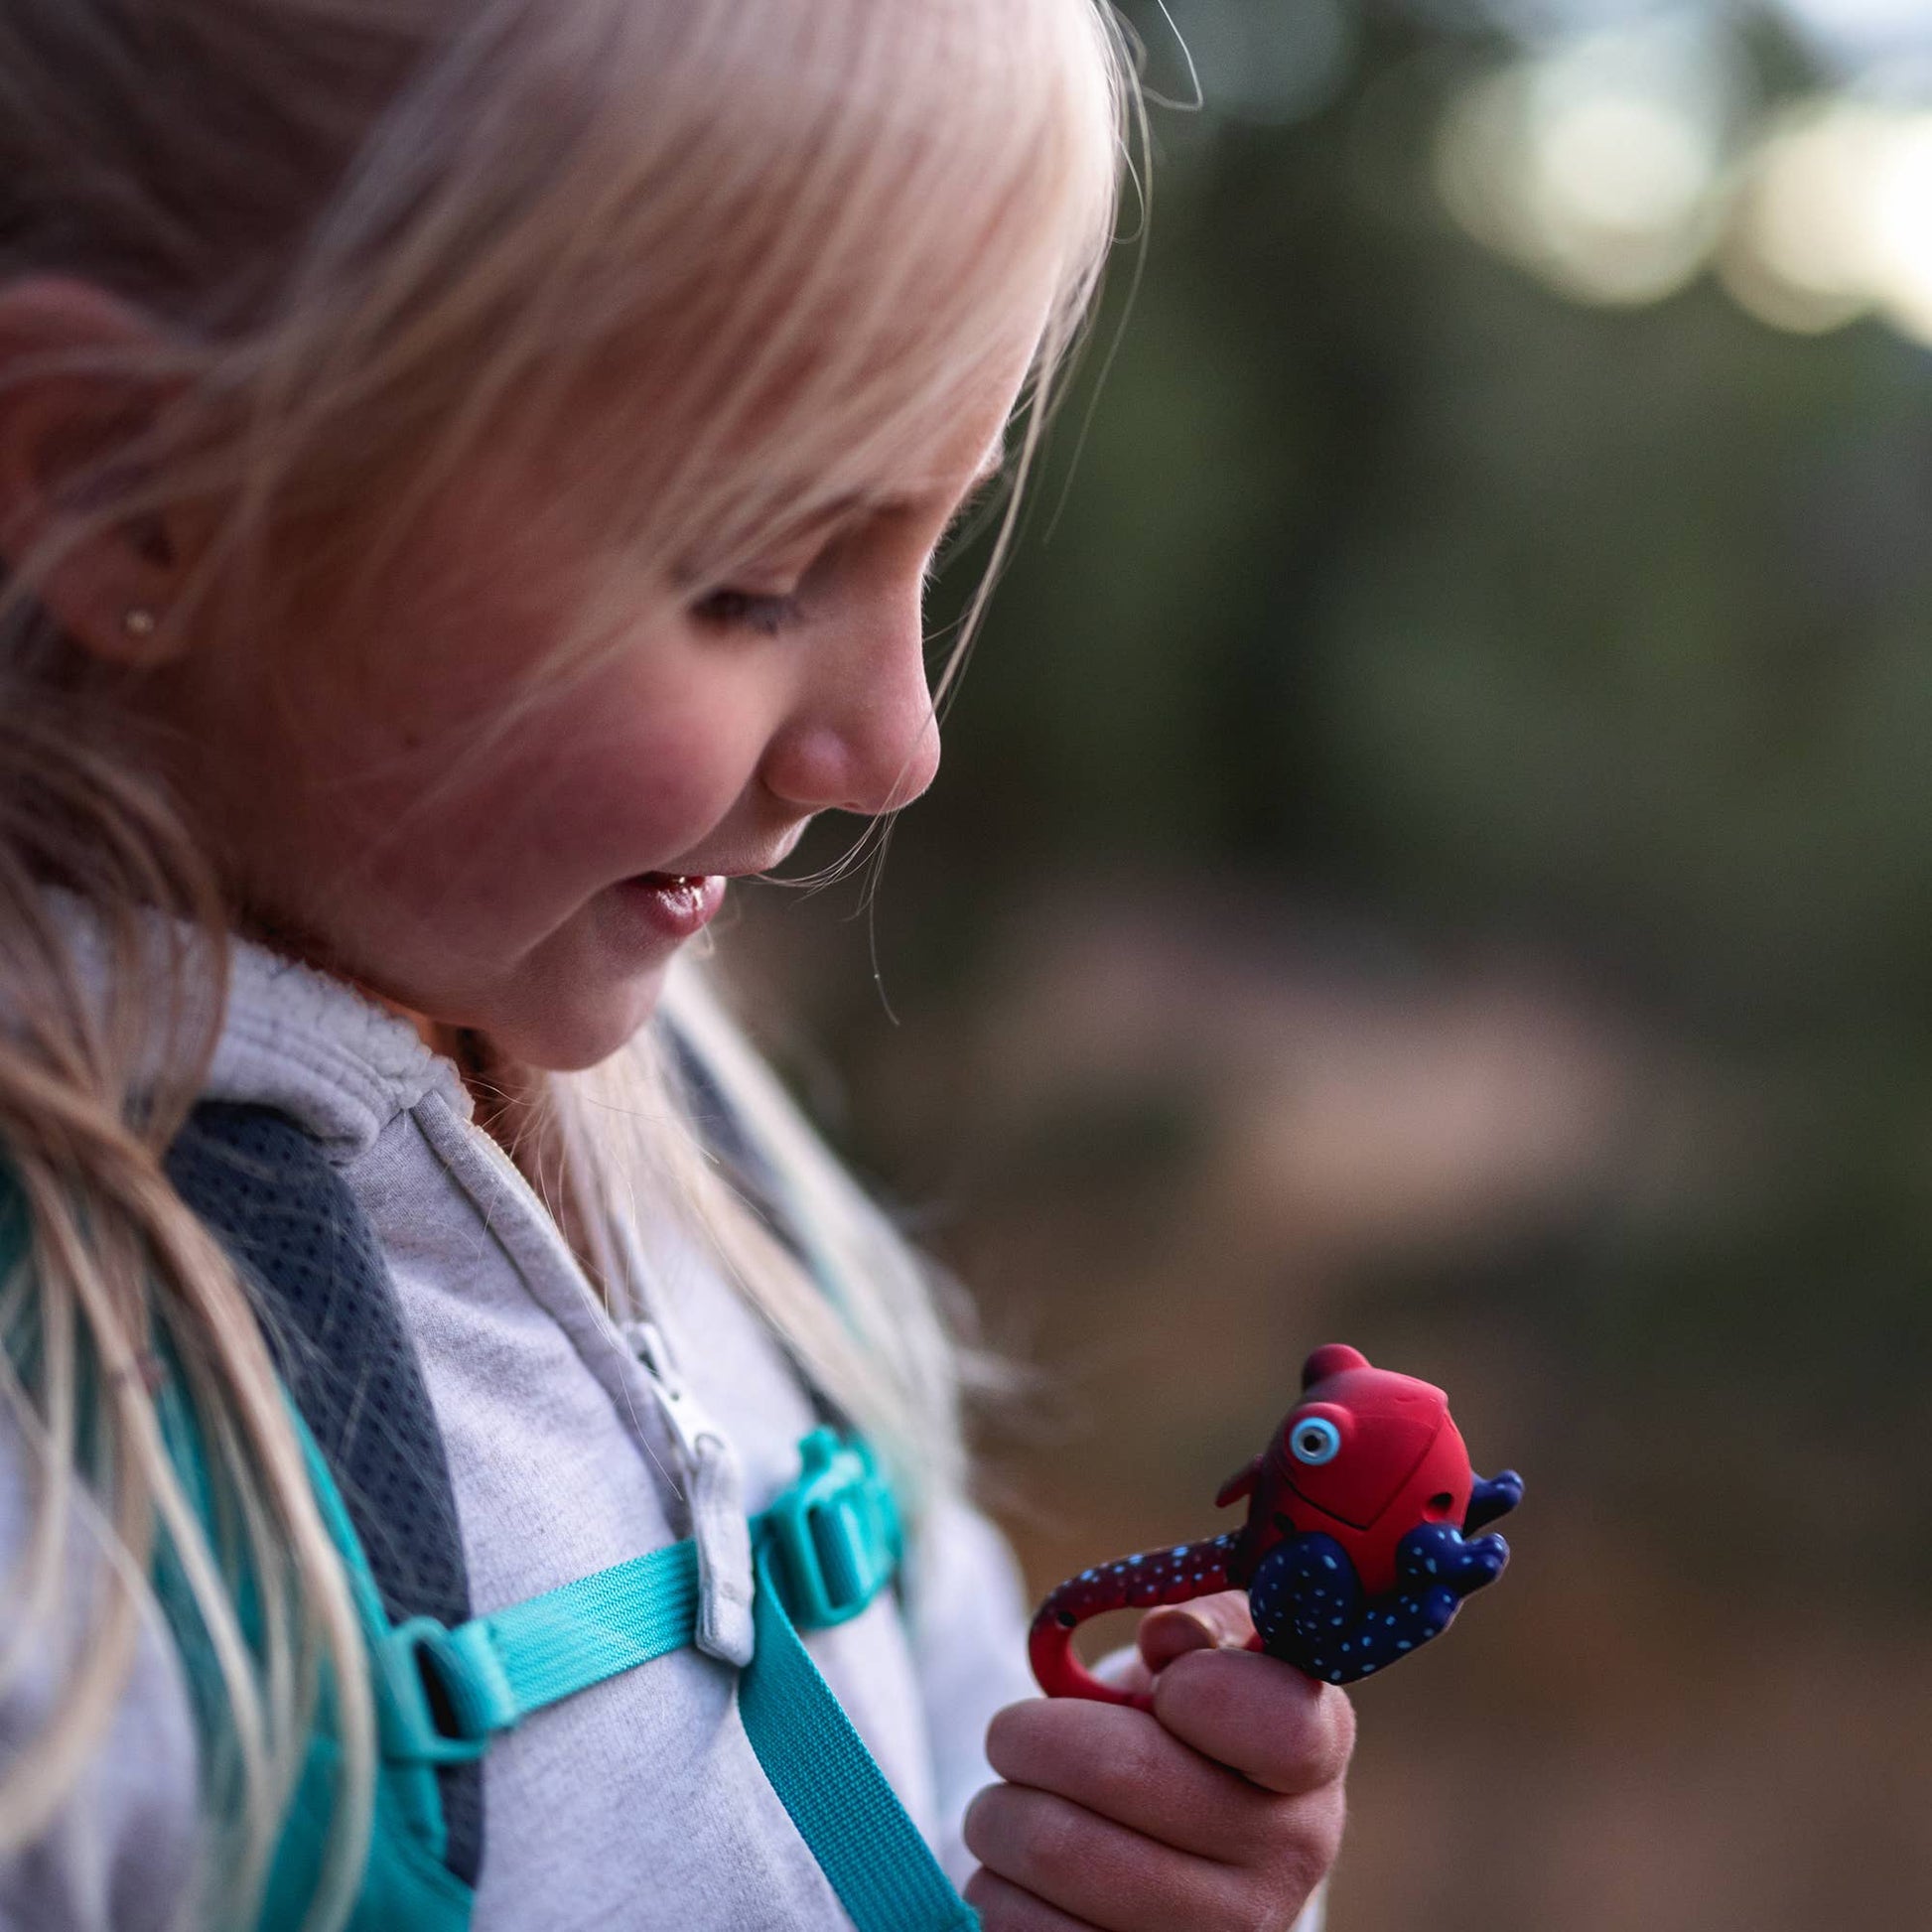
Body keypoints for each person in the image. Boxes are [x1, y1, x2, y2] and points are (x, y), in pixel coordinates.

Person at [0, 1, 1353, 1927]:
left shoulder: (725, 1187)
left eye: (932, 542)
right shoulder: (65, 1543)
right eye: (755, 576)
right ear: (134, 494)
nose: (894, 746)